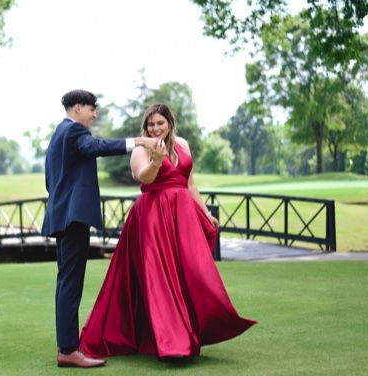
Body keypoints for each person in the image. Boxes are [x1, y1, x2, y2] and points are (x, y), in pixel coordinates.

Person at [78, 103, 257, 359]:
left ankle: (198, 327)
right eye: (151, 124)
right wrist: (156, 161)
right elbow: (144, 178)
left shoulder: (182, 144)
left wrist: (205, 212)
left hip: (183, 216)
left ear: (170, 123)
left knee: (192, 272)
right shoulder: (141, 148)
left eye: (160, 123)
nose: (155, 128)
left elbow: (190, 183)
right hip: (152, 218)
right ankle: (172, 341)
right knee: (160, 277)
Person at [41, 90, 157, 368]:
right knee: (70, 284)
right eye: (92, 108)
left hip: (64, 217)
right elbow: (96, 147)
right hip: (73, 219)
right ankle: (68, 350)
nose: (95, 114)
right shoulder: (73, 132)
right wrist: (140, 141)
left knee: (65, 283)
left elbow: (50, 180)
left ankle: (66, 346)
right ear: (78, 108)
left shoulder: (59, 134)